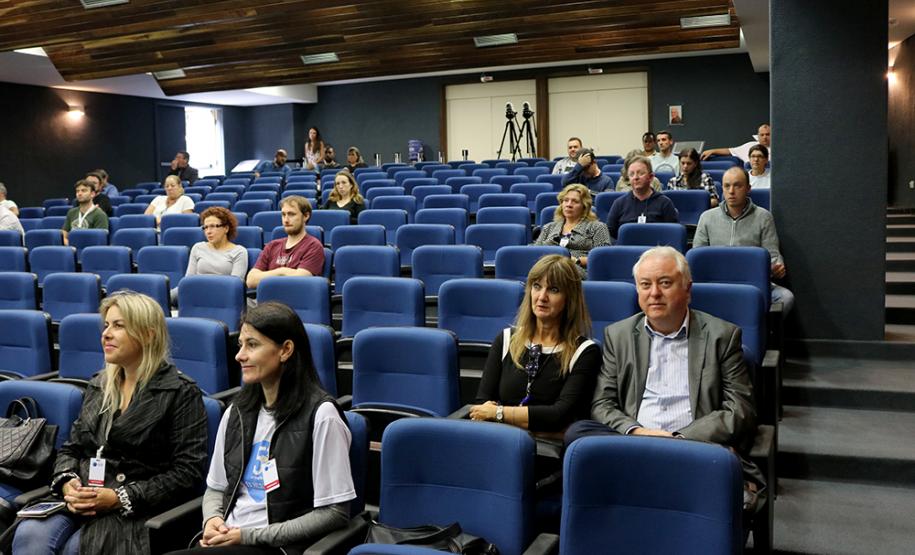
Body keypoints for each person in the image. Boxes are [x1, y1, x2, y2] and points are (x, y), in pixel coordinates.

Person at [564, 246, 764, 508]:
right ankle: (663, 481)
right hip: (634, 440)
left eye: (665, 283)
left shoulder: (722, 336)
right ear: (637, 291)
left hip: (694, 443)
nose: (654, 293)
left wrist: (679, 439)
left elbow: (740, 408)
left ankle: (647, 487)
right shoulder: (619, 335)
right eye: (645, 285)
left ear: (687, 290)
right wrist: (638, 432)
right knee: (577, 433)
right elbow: (603, 403)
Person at [12, 292, 207, 554]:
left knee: (77, 548)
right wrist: (68, 483)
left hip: (135, 507)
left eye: (118, 326)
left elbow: (186, 472)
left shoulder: (180, 392)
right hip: (83, 494)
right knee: (29, 536)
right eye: (106, 325)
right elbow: (73, 447)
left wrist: (119, 498)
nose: (106, 333)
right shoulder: (99, 384)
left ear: (148, 335)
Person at [165, 302, 355, 555]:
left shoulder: (322, 415)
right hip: (230, 539)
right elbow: (216, 488)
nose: (239, 355)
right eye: (240, 345)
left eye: (252, 345)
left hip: (277, 546)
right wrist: (211, 521)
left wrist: (249, 536)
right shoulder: (236, 412)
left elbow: (334, 513)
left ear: (286, 350)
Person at [470, 255, 600, 432]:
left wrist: (498, 413)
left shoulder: (585, 352)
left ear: (569, 298)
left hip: (549, 451)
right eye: (537, 287)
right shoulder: (507, 339)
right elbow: (482, 403)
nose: (542, 297)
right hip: (500, 442)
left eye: (553, 290)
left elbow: (560, 415)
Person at [693, 166, 794, 314]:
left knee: (786, 297)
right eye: (727, 186)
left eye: (737, 185)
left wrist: (777, 267)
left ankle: (754, 330)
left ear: (748, 188)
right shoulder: (707, 217)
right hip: (717, 282)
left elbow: (773, 255)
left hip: (752, 283)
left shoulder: (763, 217)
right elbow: (698, 256)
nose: (731, 191)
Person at [170, 207, 248, 306]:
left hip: (222, 295)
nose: (208, 231)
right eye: (205, 227)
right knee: (163, 296)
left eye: (213, 226)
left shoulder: (239, 251)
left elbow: (234, 285)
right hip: (196, 292)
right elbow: (189, 279)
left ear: (226, 228)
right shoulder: (198, 247)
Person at [246, 196, 324, 289]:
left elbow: (300, 279)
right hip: (267, 301)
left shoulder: (313, 246)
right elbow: (251, 280)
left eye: (291, 214)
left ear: (306, 216)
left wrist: (266, 276)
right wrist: (282, 272)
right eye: (283, 214)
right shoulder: (272, 245)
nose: (286, 220)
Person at [534, 184, 610, 276]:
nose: (569, 204)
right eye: (566, 200)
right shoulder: (548, 227)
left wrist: (577, 260)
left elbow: (603, 259)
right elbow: (535, 253)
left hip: (578, 271)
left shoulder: (597, 227)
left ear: (584, 206)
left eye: (575, 201)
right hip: (546, 269)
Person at [605, 156, 678, 240]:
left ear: (650, 177)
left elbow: (673, 235)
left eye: (640, 173)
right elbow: (609, 235)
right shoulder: (619, 204)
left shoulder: (665, 203)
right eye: (632, 174)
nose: (635, 177)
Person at [62, 179, 109, 246]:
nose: (79, 193)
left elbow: (100, 240)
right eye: (77, 191)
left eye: (84, 190)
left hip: (90, 251)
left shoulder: (100, 214)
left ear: (92, 194)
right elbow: (64, 235)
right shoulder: (71, 212)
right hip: (71, 249)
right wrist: (72, 248)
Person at [701, 124, 772, 163]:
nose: (764, 137)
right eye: (762, 135)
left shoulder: (779, 148)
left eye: (767, 134)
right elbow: (729, 151)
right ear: (758, 136)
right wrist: (712, 151)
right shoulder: (750, 146)